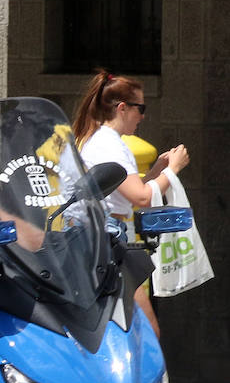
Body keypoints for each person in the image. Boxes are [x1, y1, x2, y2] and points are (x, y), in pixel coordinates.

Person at [71, 70, 188, 339]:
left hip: (99, 245)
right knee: (147, 336)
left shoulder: (99, 140)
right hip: (108, 249)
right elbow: (142, 197)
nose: (143, 116)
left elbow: (125, 191)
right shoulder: (110, 145)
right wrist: (174, 170)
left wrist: (159, 170)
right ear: (122, 108)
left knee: (129, 336)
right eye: (140, 108)